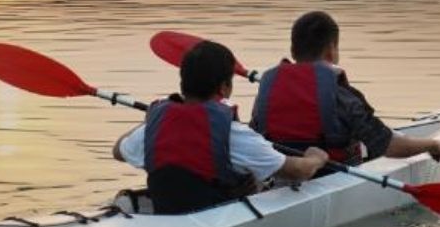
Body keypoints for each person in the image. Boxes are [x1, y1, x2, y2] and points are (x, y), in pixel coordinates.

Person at [113, 39, 329, 214]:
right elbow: (297, 171)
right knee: (266, 179)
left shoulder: (152, 129)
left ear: (182, 84)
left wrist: (150, 121)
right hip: (214, 217)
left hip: (167, 213)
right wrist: (316, 159)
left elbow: (118, 150)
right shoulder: (233, 134)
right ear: (225, 87)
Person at [250, 11, 440, 164]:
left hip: (285, 171)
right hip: (331, 173)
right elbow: (388, 146)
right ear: (331, 50)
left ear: (293, 51)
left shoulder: (268, 88)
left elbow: (256, 136)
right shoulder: (342, 95)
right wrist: (434, 145)